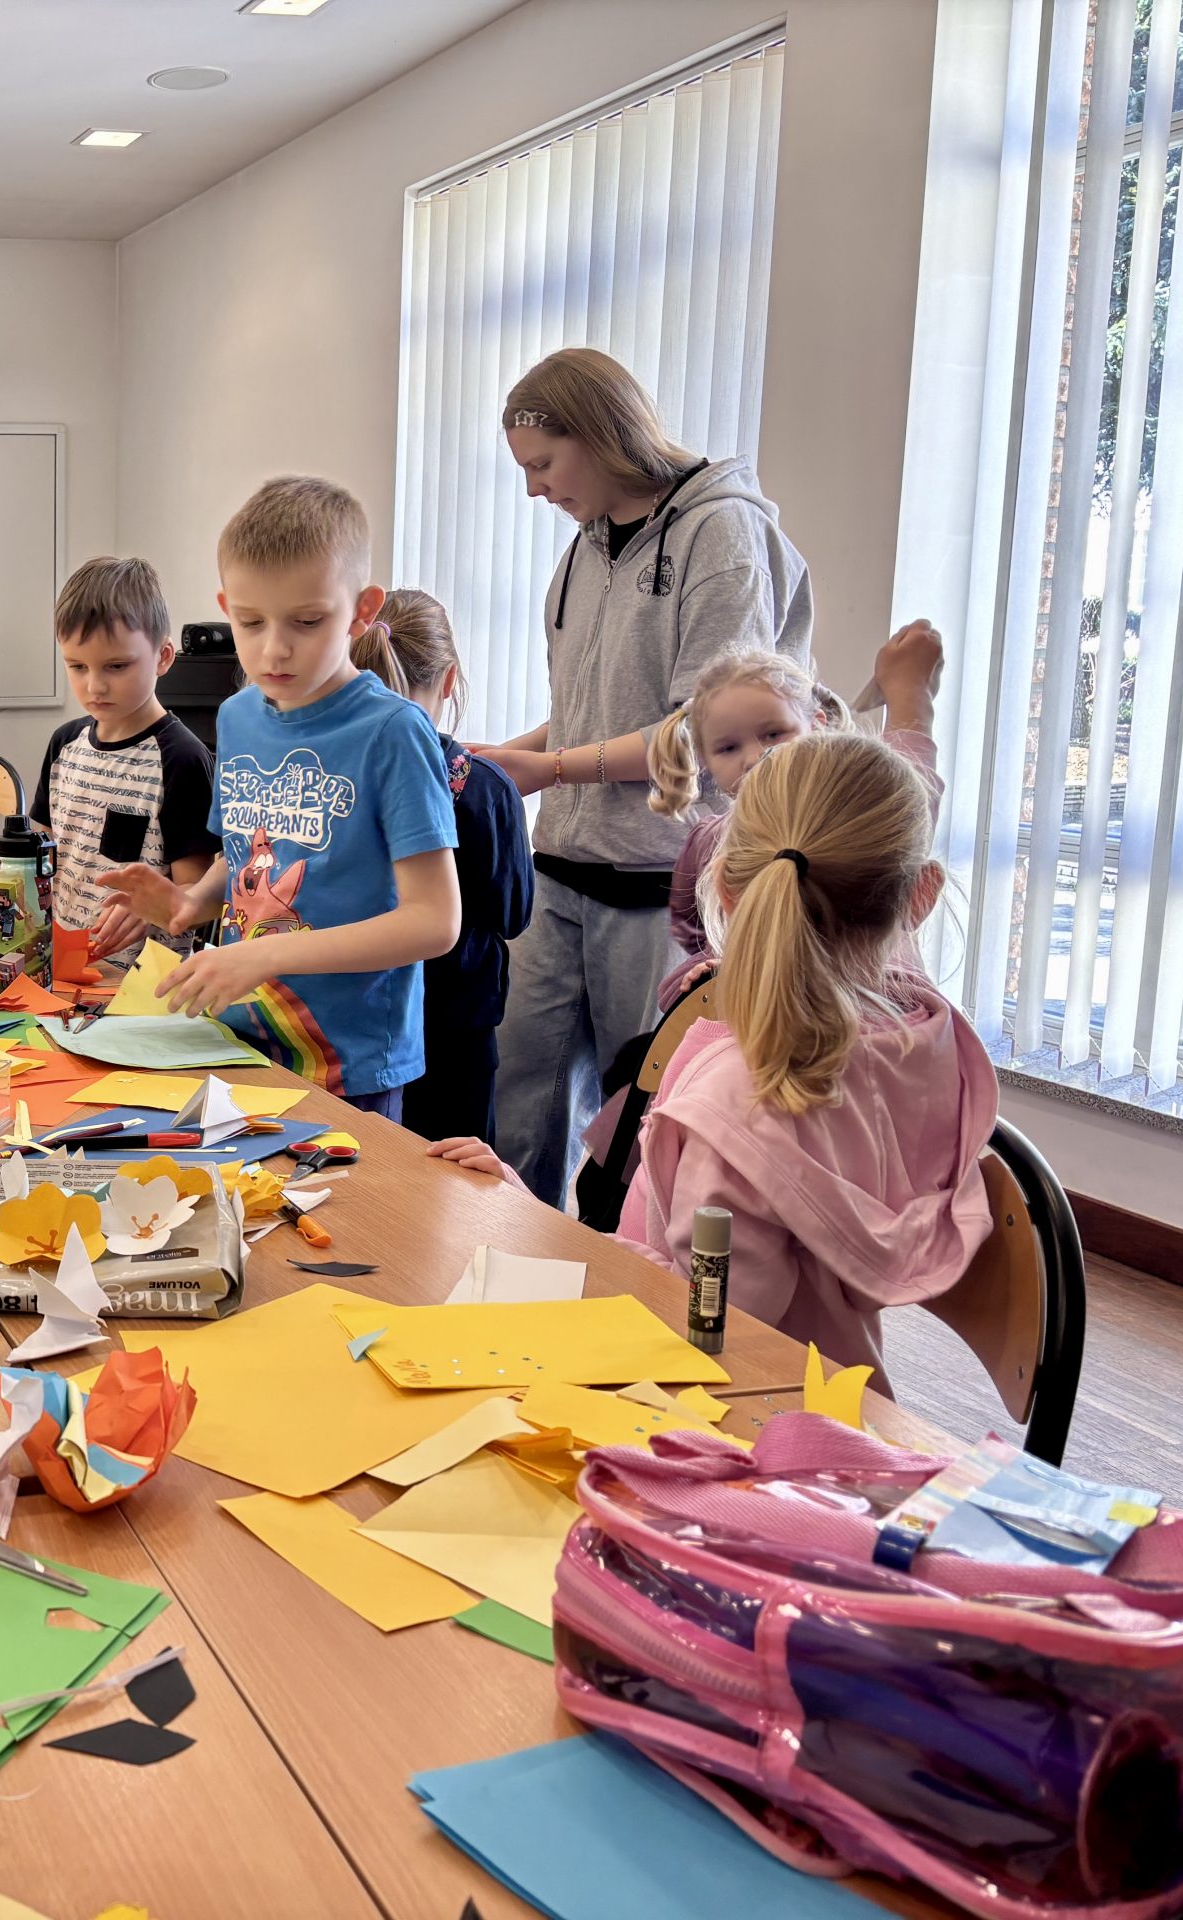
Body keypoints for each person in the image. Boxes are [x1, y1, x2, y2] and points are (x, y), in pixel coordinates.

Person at [432, 729, 996, 1379]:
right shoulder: (929, 1045)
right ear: (921, 897)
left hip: (728, 1411)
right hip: (831, 1394)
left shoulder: (737, 1100)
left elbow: (704, 1332)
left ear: (723, 887)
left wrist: (530, 1229)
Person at [473, 347, 815, 1208]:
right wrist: (504, 763)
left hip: (661, 882)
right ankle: (508, 1263)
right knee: (515, 1098)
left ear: (599, 435)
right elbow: (588, 715)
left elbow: (708, 729)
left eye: (543, 465)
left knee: (641, 1127)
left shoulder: (722, 535)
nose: (534, 491)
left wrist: (550, 768)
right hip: (562, 873)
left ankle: (625, 1278)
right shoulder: (585, 548)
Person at [99, 476, 461, 1111]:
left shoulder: (393, 733)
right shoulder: (238, 716)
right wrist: (191, 903)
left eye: (308, 621)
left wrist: (267, 954)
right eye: (250, 622)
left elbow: (435, 921)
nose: (275, 649)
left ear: (363, 610)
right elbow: (243, 851)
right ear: (226, 607)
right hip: (242, 1034)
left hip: (347, 1058)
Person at [649, 620, 942, 1012]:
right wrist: (713, 969)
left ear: (817, 725)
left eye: (773, 734)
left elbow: (909, 796)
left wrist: (911, 694)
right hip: (764, 1016)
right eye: (729, 747)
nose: (755, 757)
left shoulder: (852, 810)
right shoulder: (707, 842)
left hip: (874, 1009)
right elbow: (693, 934)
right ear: (705, 760)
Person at [361, 589, 532, 1143]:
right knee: (456, 1174)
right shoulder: (484, 788)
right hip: (457, 1025)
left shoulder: (335, 782)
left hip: (364, 1021)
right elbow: (514, 915)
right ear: (449, 680)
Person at [31, 556, 219, 963]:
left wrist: (153, 907)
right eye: (77, 666)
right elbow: (42, 851)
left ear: (163, 657)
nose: (94, 685)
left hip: (144, 982)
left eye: (116, 666)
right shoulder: (64, 743)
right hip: (64, 966)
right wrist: (6, 865)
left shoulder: (181, 759)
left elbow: (198, 893)